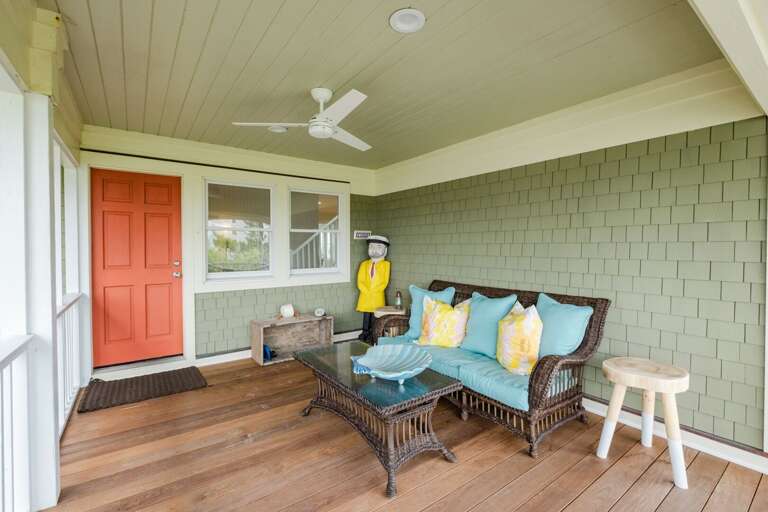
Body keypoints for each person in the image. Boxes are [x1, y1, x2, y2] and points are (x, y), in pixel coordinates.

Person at [356, 235, 390, 341]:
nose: (374, 250)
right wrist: (365, 289)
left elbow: (385, 281)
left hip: (377, 294)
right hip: (365, 294)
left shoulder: (386, 265)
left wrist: (375, 290)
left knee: (376, 314)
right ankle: (365, 331)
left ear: (385, 250)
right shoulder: (364, 264)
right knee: (366, 314)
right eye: (371, 246)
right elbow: (360, 280)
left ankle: (373, 332)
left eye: (378, 246)